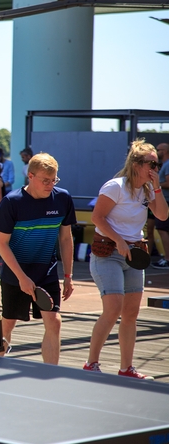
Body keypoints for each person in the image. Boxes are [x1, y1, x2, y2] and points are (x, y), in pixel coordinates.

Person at [84, 140, 168, 378]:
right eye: (151, 163)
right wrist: (119, 240)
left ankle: (126, 368)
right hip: (108, 253)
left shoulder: (148, 190)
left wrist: (157, 188)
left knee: (131, 313)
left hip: (133, 254)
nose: (155, 167)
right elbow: (97, 218)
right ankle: (91, 363)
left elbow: (162, 214)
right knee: (112, 309)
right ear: (136, 164)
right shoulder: (116, 187)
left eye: (157, 163)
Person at [0, 153, 76, 365]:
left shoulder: (63, 198)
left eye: (54, 180)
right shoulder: (11, 203)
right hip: (15, 273)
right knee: (8, 324)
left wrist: (68, 275)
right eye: (45, 180)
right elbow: (1, 243)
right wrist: (21, 277)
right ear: (31, 176)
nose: (50, 185)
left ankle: (50, 374)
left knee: (54, 321)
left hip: (46, 272)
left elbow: (66, 238)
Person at [154, 142, 169, 269]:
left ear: (164, 151)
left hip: (166, 201)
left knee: (163, 229)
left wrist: (156, 185)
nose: (157, 151)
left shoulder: (168, 165)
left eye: (158, 150)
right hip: (162, 200)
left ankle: (167, 259)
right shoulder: (164, 165)